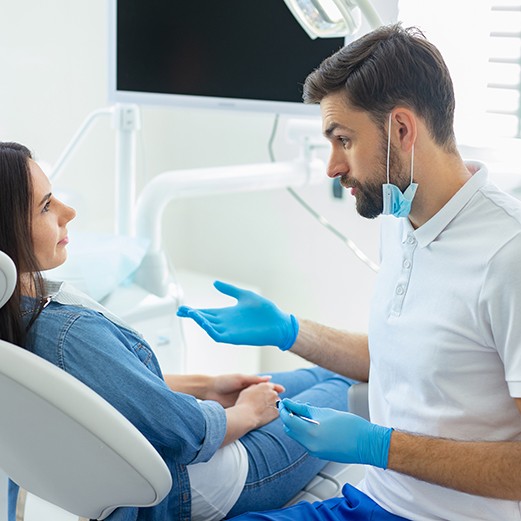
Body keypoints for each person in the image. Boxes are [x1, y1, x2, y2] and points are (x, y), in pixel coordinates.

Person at [177, 24, 521, 521]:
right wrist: (288, 330)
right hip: (370, 500)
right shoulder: (402, 215)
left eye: (343, 140)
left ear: (401, 130)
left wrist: (380, 447)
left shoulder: (508, 254)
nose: (332, 166)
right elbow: (411, 359)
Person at [0, 141, 356, 521]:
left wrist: (207, 386)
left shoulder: (16, 319)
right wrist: (248, 414)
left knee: (321, 374)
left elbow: (111, 393)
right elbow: (183, 431)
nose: (68, 212)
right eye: (46, 206)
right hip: (204, 484)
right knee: (345, 386)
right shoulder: (69, 333)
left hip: (171, 469)